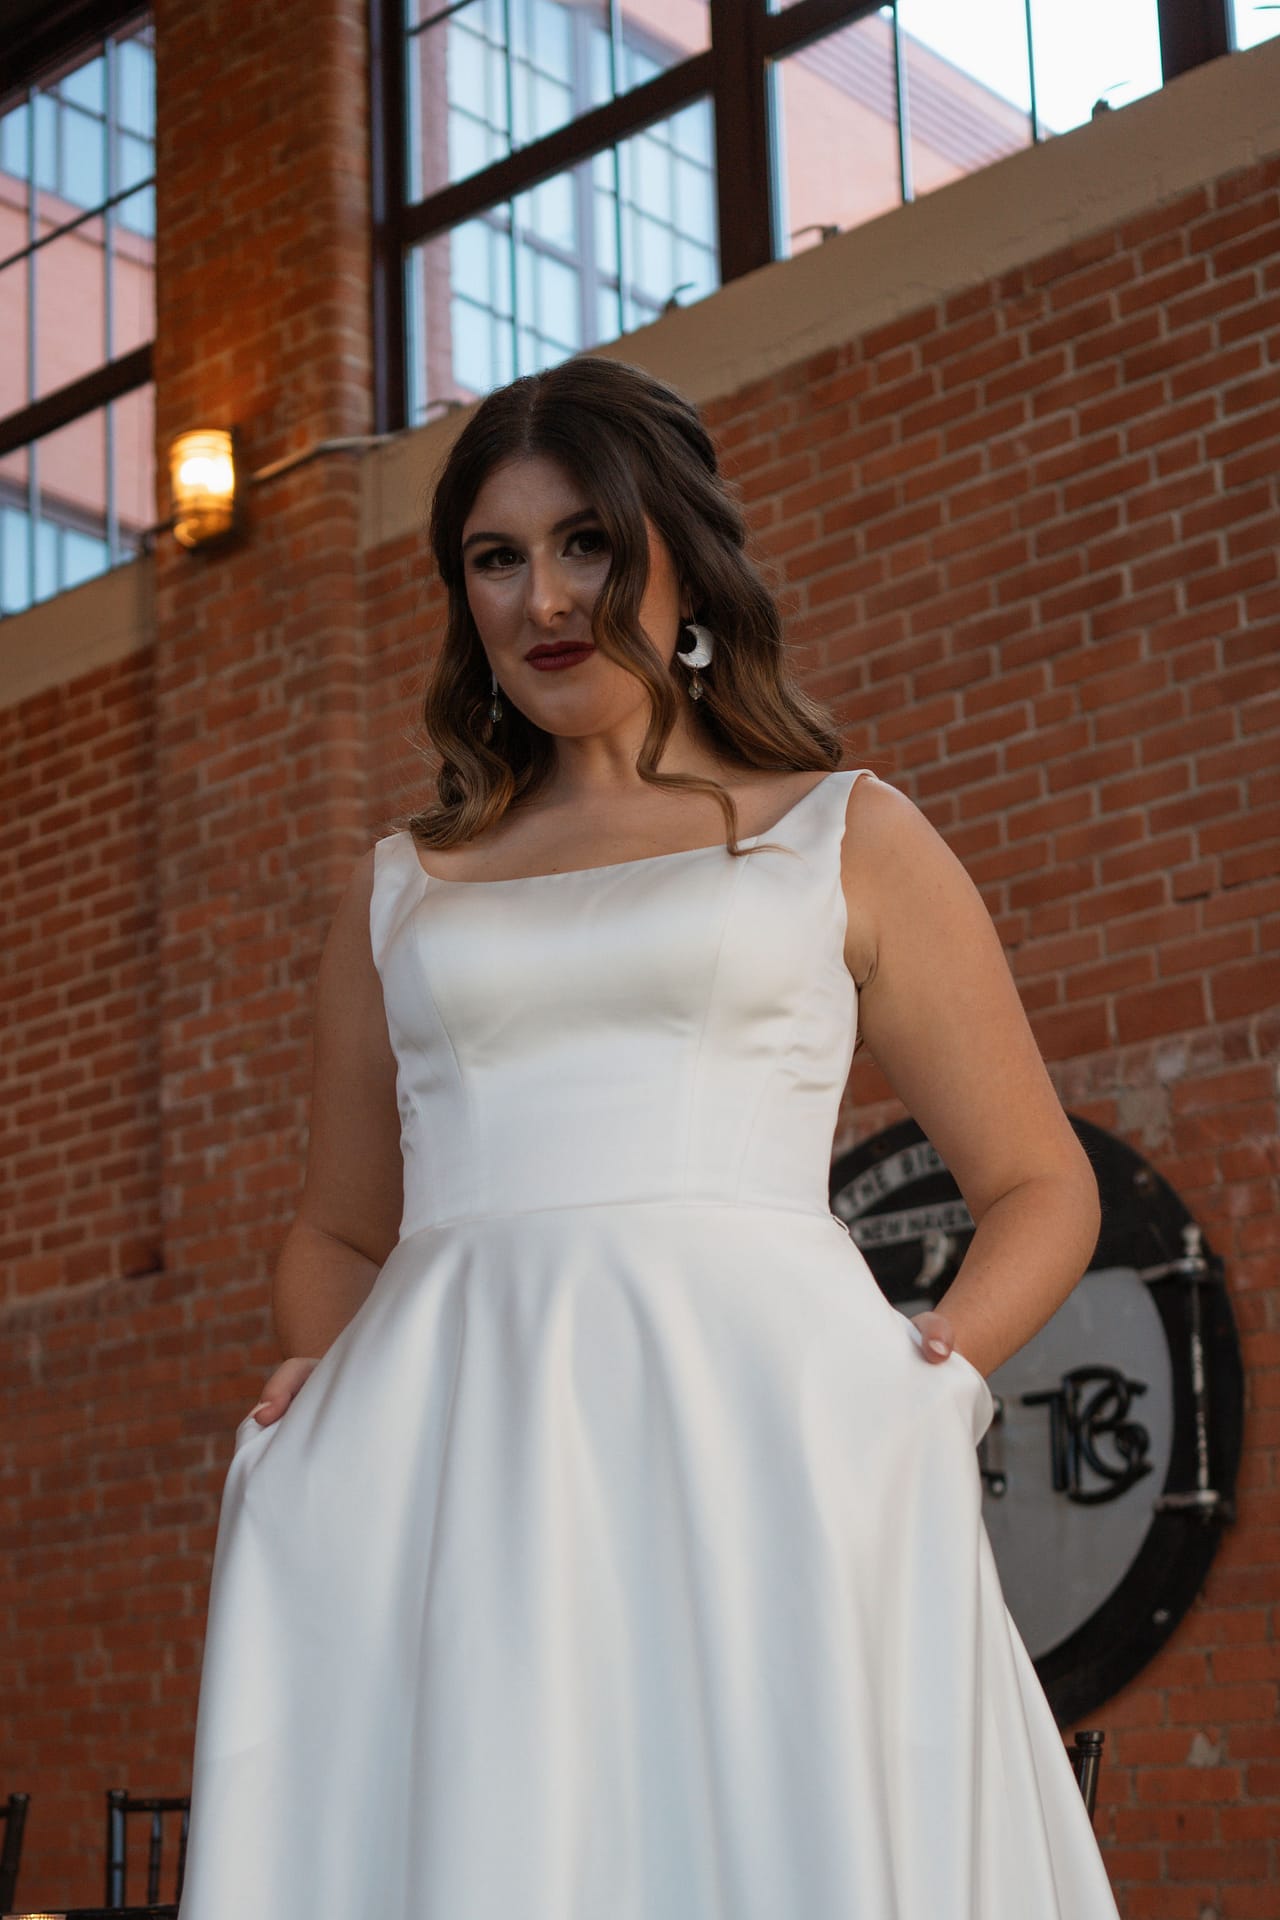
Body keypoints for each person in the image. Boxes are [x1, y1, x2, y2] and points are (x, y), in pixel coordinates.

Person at [176, 354, 1122, 1917]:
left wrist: (919, 1385)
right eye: (495, 556)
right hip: (459, 1483)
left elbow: (1041, 1185)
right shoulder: (402, 885)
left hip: (774, 1458)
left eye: (587, 544)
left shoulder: (846, 832)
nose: (542, 597)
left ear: (676, 554)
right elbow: (341, 1226)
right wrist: (335, 1402)